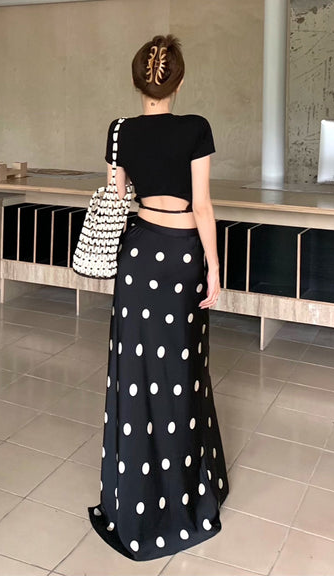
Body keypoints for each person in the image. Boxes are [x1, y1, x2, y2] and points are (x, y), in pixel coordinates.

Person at [88, 34, 229, 560]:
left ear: (137, 82)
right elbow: (204, 206)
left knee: (135, 368)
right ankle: (183, 489)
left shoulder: (120, 130)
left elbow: (117, 196)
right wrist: (215, 268)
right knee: (181, 366)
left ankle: (135, 498)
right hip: (183, 253)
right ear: (179, 82)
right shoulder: (196, 128)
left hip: (139, 253)